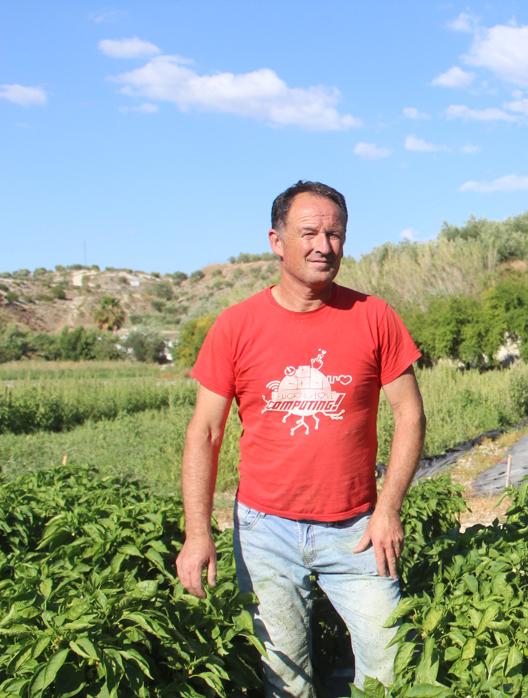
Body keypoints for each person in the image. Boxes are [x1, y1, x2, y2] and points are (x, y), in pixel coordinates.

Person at [175, 180, 426, 695]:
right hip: (265, 532)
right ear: (276, 241)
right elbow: (205, 432)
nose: (323, 245)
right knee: (284, 675)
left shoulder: (374, 316)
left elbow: (410, 416)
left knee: (390, 660)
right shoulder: (236, 325)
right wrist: (198, 533)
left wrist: (389, 508)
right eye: (308, 232)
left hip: (356, 528)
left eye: (335, 234)